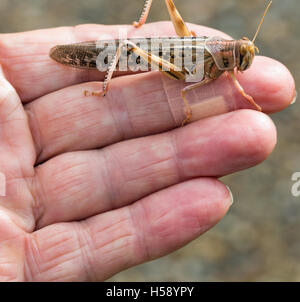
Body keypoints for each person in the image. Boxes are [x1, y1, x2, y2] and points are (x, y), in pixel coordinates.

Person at [0, 21, 295, 281]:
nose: (244, 60)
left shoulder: (224, 59)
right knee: (133, 46)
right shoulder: (215, 57)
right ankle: (103, 86)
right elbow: (185, 88)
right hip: (172, 57)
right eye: (242, 54)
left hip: (184, 52)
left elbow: (231, 82)